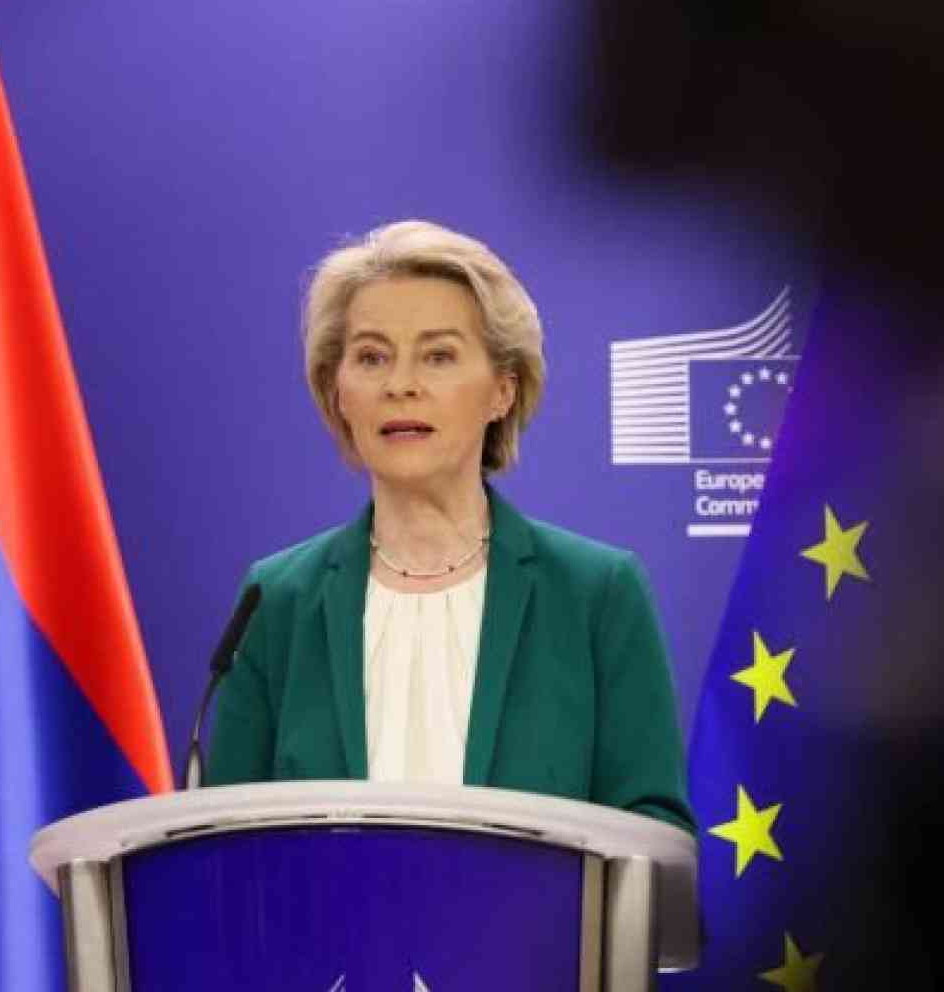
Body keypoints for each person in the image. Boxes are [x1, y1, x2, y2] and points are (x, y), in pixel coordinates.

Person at [205, 220, 695, 833]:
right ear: (339, 393)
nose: (401, 385)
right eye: (372, 357)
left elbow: (653, 833)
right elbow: (226, 840)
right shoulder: (277, 600)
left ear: (501, 391)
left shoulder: (596, 593)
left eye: (437, 356)